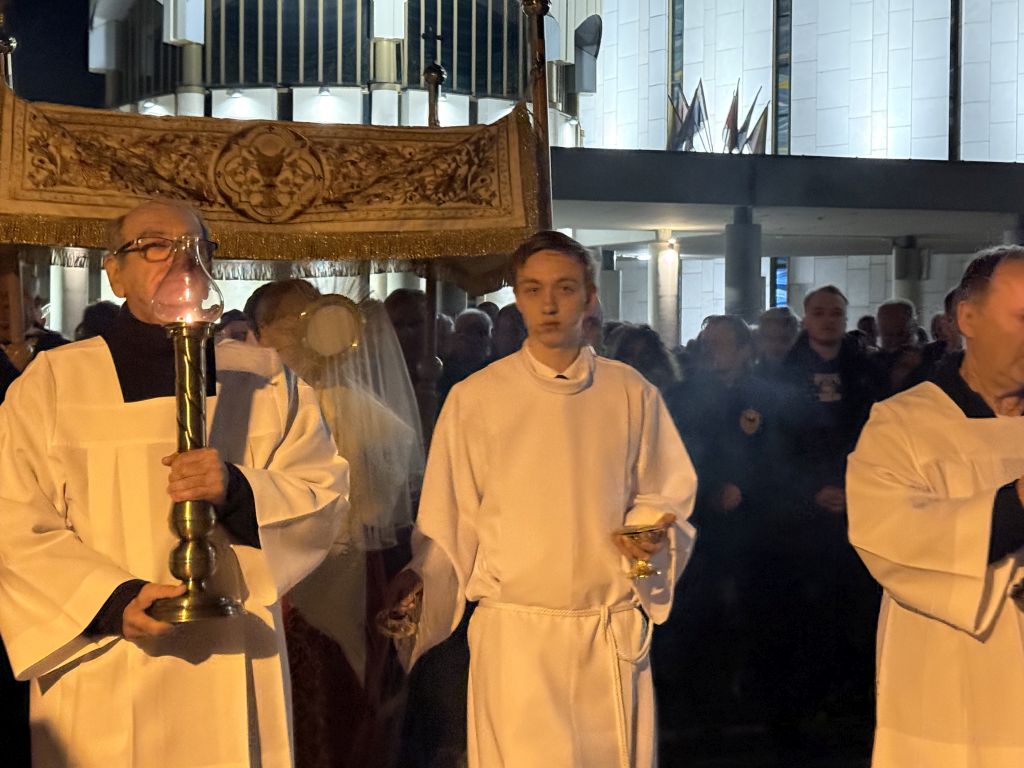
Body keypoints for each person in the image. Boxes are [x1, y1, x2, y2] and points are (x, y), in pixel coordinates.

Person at [0, 199, 349, 767]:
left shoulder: (263, 378)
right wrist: (111, 600)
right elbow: (13, 520)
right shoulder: (55, 383)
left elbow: (323, 493)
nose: (180, 260)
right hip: (108, 655)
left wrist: (239, 490)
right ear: (115, 272)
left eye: (196, 247)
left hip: (234, 652)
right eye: (154, 246)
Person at [386, 230, 697, 767]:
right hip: (517, 640)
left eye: (565, 288)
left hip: (605, 632)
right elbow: (449, 521)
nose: (549, 304)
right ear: (518, 296)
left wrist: (646, 539)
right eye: (533, 289)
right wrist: (421, 580)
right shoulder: (477, 398)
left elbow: (665, 492)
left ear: (590, 297)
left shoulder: (629, 392)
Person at [847, 246, 1024, 768]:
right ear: (968, 319)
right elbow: (890, 536)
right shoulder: (904, 423)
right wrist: (1015, 505)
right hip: (953, 673)